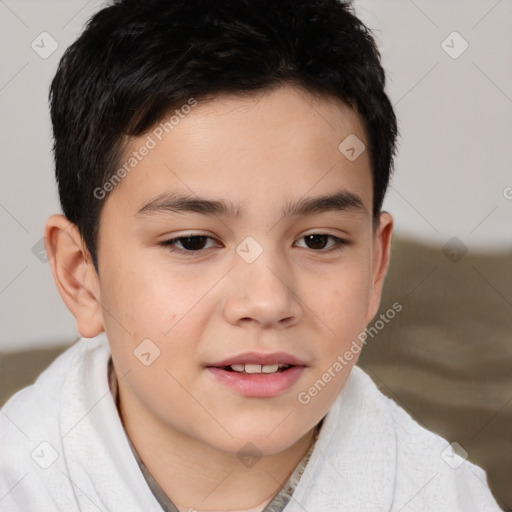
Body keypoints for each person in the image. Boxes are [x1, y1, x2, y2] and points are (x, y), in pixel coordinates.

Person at [0, 0, 502, 510]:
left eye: (318, 240)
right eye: (193, 242)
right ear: (81, 275)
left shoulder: (443, 495)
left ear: (375, 266)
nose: (266, 301)